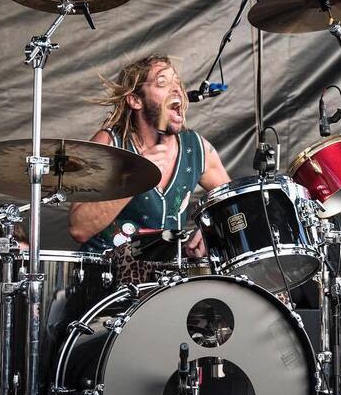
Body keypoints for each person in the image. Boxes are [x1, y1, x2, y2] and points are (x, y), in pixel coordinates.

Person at [68, 55, 230, 257]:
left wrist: (211, 229)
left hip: (167, 273)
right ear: (135, 100)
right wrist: (136, 178)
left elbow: (233, 205)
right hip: (107, 271)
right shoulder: (110, 144)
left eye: (177, 82)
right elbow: (79, 229)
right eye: (162, 82)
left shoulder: (196, 148)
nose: (176, 89)